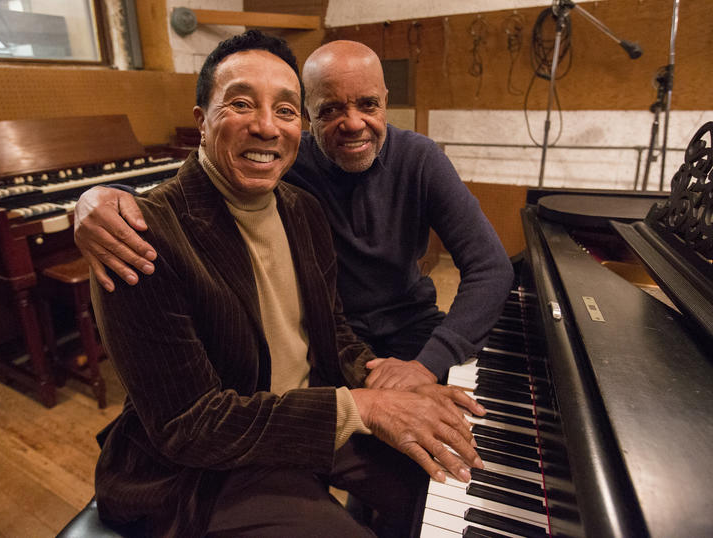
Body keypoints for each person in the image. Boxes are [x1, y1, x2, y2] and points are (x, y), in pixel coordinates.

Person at [88, 30, 485, 537]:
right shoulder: (137, 236)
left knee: (452, 483)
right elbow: (190, 426)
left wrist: (385, 378)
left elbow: (330, 329)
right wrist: (362, 406)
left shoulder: (302, 209)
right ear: (201, 122)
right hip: (203, 469)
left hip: (304, 416)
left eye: (285, 109)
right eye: (240, 103)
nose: (265, 126)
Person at [75, 39, 514, 391]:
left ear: (385, 102)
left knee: (445, 431)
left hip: (410, 326)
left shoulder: (420, 158)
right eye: (330, 110)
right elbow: (198, 183)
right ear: (306, 117)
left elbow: (490, 267)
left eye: (367, 104)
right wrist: (101, 196)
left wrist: (429, 361)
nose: (353, 123)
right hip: (327, 333)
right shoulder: (284, 159)